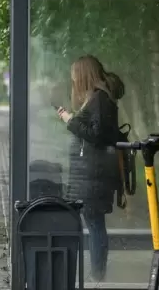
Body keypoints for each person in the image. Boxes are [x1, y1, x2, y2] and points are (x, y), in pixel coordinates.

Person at [56, 55, 120, 281]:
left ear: (84, 75)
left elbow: (97, 135)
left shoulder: (100, 99)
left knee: (94, 224)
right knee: (93, 223)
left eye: (75, 76)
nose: (73, 81)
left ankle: (98, 276)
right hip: (90, 174)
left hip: (95, 174)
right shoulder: (95, 99)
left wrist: (70, 121)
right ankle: (96, 274)